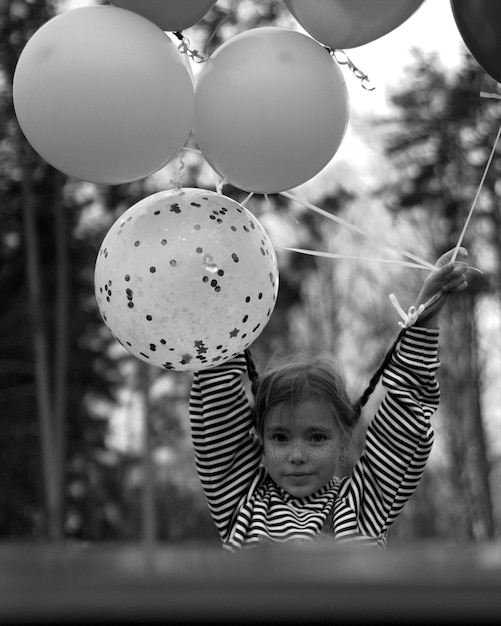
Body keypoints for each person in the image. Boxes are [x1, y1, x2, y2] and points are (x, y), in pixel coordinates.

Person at [189, 248, 469, 550]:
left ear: (343, 441)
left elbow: (404, 418)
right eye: (280, 437)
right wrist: (215, 291)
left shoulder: (364, 504)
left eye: (316, 437)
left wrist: (427, 309)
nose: (297, 455)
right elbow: (217, 402)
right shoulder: (241, 497)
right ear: (261, 439)